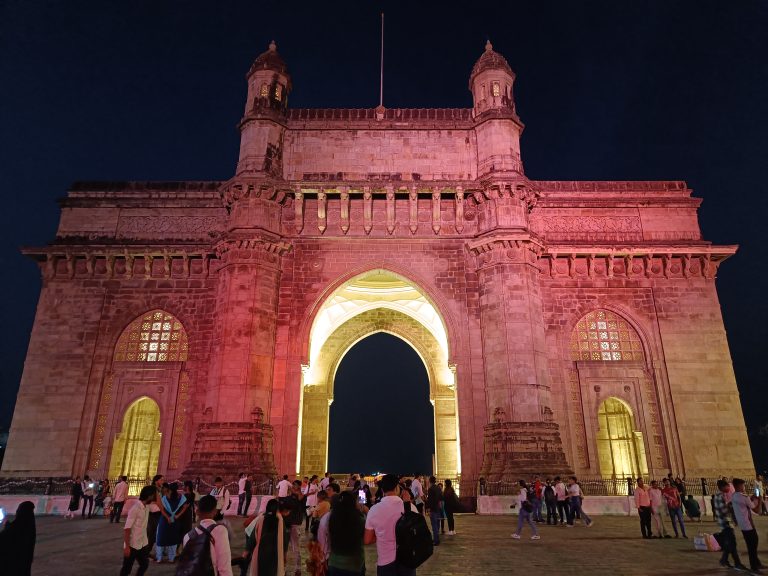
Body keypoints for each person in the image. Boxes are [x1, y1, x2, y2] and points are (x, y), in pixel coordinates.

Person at [364, 473, 419, 576]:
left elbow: (367, 540)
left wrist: (380, 535)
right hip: (407, 560)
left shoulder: (374, 510)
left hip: (385, 562)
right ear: (397, 488)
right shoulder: (410, 507)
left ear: (382, 489)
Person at [182, 494, 234, 576]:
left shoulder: (187, 536)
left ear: (197, 512)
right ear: (215, 512)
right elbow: (224, 566)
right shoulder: (220, 531)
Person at [324, 490, 366, 576]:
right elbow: (366, 539)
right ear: (353, 503)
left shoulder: (332, 517)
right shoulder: (360, 519)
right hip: (353, 565)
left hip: (334, 563)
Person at [120, 485, 157, 576]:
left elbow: (159, 506)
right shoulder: (135, 508)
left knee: (144, 564)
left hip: (142, 543)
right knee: (127, 569)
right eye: (154, 495)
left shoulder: (147, 507)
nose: (155, 497)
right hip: (132, 544)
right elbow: (127, 528)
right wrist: (127, 547)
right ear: (149, 496)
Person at [713, 478, 747, 571]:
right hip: (725, 523)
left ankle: (725, 560)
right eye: (728, 486)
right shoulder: (720, 496)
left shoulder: (719, 495)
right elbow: (723, 511)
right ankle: (735, 562)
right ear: (723, 487)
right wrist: (730, 506)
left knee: (730, 543)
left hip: (724, 523)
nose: (729, 488)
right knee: (732, 543)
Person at [732, 478, 763, 573]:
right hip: (748, 525)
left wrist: (751, 498)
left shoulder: (734, 496)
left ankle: (757, 563)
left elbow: (745, 504)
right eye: (743, 485)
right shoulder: (744, 497)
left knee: (751, 545)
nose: (744, 487)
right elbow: (757, 510)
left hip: (743, 526)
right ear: (738, 486)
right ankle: (754, 568)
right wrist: (760, 499)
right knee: (753, 546)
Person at [0, 500, 36, 576]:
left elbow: (7, 536)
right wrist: (6, 523)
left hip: (12, 563)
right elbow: (15, 529)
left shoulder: (17, 527)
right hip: (24, 561)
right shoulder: (29, 524)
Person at [155, 482, 188, 563]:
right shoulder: (181, 497)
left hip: (165, 520)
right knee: (173, 539)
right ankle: (171, 558)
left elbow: (162, 509)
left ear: (169, 489)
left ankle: (159, 558)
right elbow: (185, 507)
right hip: (175, 520)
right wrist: (177, 515)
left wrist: (167, 517)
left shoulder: (164, 497)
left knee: (161, 538)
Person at [147, 474, 164, 555]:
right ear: (156, 481)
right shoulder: (153, 489)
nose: (162, 482)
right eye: (161, 480)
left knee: (156, 532)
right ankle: (147, 552)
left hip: (158, 512)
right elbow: (148, 500)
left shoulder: (159, 489)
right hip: (153, 513)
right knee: (152, 533)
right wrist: (157, 503)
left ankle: (158, 550)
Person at [424, 476, 443, 546]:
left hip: (433, 509)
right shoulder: (438, 488)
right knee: (437, 524)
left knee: (434, 525)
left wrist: (428, 509)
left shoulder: (430, 489)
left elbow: (430, 500)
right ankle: (436, 538)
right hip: (438, 508)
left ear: (430, 481)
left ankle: (436, 540)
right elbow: (441, 498)